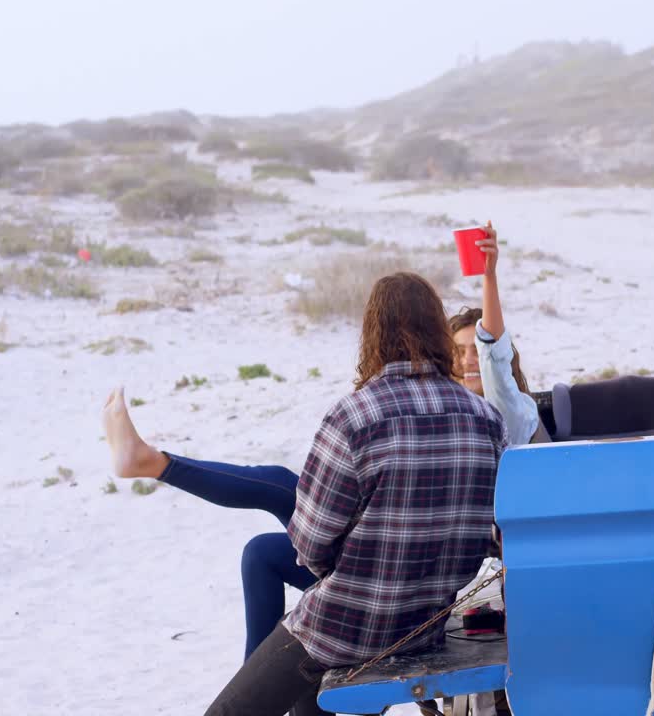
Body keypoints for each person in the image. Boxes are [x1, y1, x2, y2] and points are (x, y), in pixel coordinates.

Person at [101, 224, 545, 658]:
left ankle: (155, 463)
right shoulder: (478, 416)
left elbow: (312, 548)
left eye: (476, 351)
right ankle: (154, 462)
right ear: (439, 340)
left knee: (280, 500)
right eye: (459, 349)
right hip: (424, 588)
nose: (468, 360)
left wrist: (489, 275)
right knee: (264, 538)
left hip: (379, 599)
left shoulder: (488, 407)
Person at [203, 270, 506, 715]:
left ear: (373, 335)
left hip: (343, 628)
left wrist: (346, 568)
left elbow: (309, 543)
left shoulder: (355, 416)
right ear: (439, 333)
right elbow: (495, 530)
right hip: (425, 627)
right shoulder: (486, 420)